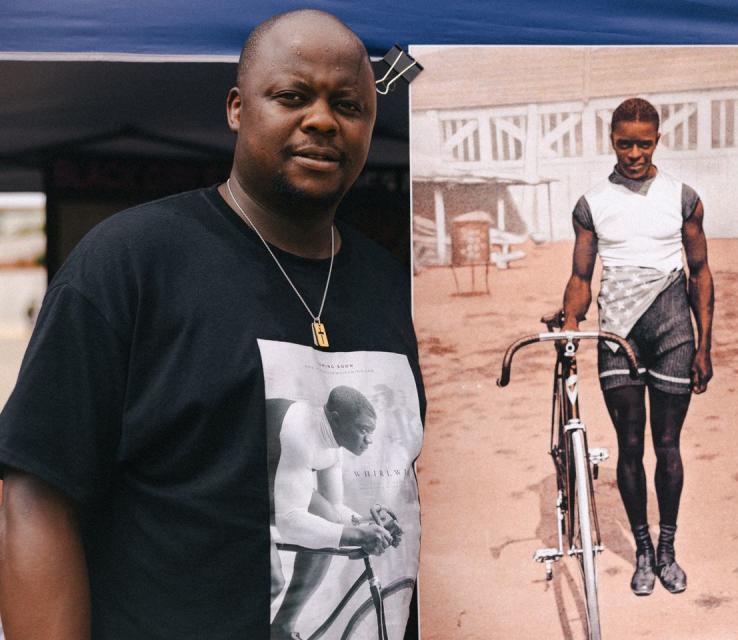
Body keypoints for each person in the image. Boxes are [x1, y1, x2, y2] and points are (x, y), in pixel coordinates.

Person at [0, 9, 423, 639]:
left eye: (350, 105)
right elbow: (32, 493)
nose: (322, 120)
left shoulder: (396, 288)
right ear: (235, 108)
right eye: (291, 96)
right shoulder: (132, 261)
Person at [561, 97, 714, 596]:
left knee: (667, 445)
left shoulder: (683, 197)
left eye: (643, 143)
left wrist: (704, 345)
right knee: (629, 446)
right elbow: (582, 276)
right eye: (624, 143)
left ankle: (669, 550)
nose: (633, 153)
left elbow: (700, 273)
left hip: (673, 331)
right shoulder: (591, 204)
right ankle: (643, 552)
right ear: (612, 141)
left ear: (657, 140)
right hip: (617, 337)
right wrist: (568, 321)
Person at [268, 386, 402, 638]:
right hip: (229, 484)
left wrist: (366, 524)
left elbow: (335, 509)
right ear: (337, 419)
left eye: (371, 432)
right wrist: (359, 536)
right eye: (363, 430)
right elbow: (289, 521)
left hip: (266, 483)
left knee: (325, 517)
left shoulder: (331, 444)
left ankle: (281, 628)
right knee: (271, 582)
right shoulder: (301, 434)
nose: (369, 440)